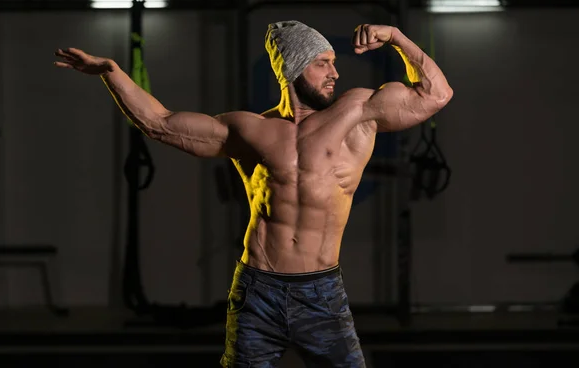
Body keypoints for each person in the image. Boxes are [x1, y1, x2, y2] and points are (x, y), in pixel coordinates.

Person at [54, 21, 453, 367]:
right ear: (293, 70)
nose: (334, 72)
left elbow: (436, 95)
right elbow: (161, 124)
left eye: (333, 62)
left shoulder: (358, 111)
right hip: (257, 289)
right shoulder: (248, 130)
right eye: (322, 63)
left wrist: (398, 37)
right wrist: (111, 71)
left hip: (321, 292)